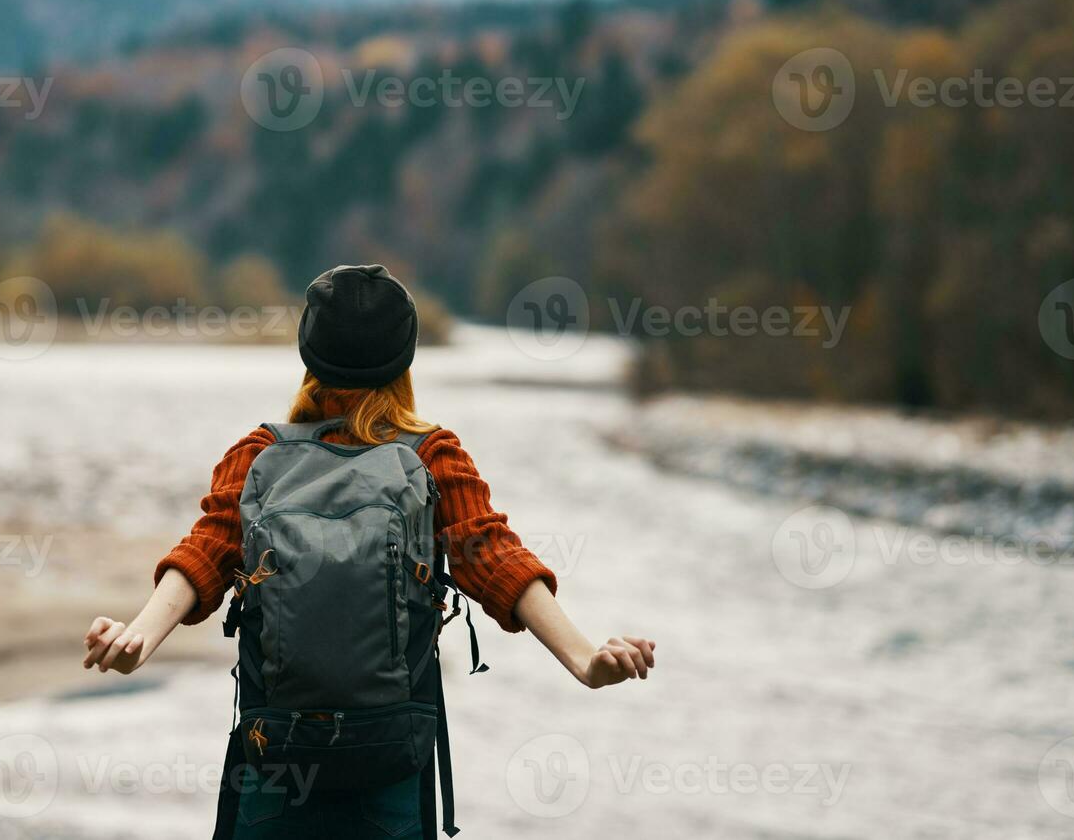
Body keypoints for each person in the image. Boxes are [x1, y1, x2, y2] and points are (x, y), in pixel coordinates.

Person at [83, 264, 657, 838]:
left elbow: (206, 552)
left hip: (276, 747)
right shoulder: (433, 454)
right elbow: (495, 558)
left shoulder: (258, 454)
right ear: (403, 360)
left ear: (309, 354)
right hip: (390, 750)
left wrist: (140, 637)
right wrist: (583, 659)